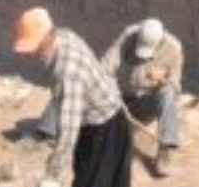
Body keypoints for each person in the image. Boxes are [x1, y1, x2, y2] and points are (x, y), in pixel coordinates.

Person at [13, 7, 133, 187]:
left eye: (33, 48)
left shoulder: (68, 70)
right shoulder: (63, 36)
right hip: (98, 125)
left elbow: (66, 130)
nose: (31, 54)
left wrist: (51, 176)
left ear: (45, 39)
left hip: (105, 129)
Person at [35, 18, 184, 178]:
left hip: (142, 104)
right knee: (75, 78)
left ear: (160, 42)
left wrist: (163, 79)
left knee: (167, 94)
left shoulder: (173, 49)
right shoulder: (129, 36)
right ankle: (46, 132)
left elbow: (175, 87)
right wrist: (112, 91)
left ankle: (165, 151)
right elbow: (105, 67)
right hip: (114, 99)